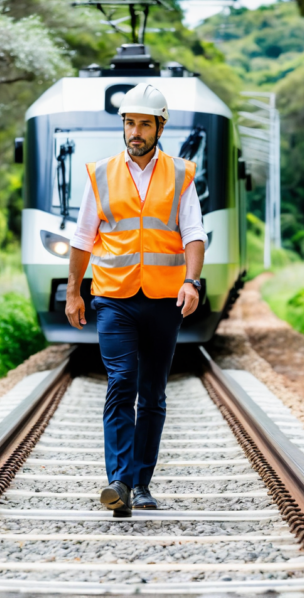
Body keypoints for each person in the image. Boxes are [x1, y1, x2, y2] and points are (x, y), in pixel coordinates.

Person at [65, 82, 206, 517]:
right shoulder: (101, 173)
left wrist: (192, 282)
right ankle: (119, 482)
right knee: (121, 382)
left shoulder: (181, 174)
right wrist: (74, 290)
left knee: (153, 392)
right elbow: (83, 237)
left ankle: (142, 484)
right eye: (130, 123)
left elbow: (193, 234)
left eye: (144, 123)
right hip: (115, 297)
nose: (136, 131)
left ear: (160, 126)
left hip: (164, 298)